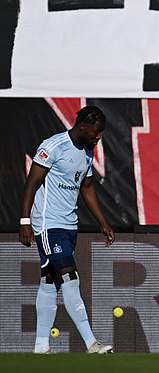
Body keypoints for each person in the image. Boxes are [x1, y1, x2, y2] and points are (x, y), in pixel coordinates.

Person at [19, 105, 115, 354]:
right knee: (70, 279)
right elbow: (32, 182)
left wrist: (102, 222)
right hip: (49, 224)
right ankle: (91, 343)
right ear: (82, 126)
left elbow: (87, 186)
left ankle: (41, 346)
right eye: (96, 132)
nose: (98, 137)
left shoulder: (88, 151)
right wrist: (25, 221)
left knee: (49, 282)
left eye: (101, 133)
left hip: (69, 225)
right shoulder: (53, 146)